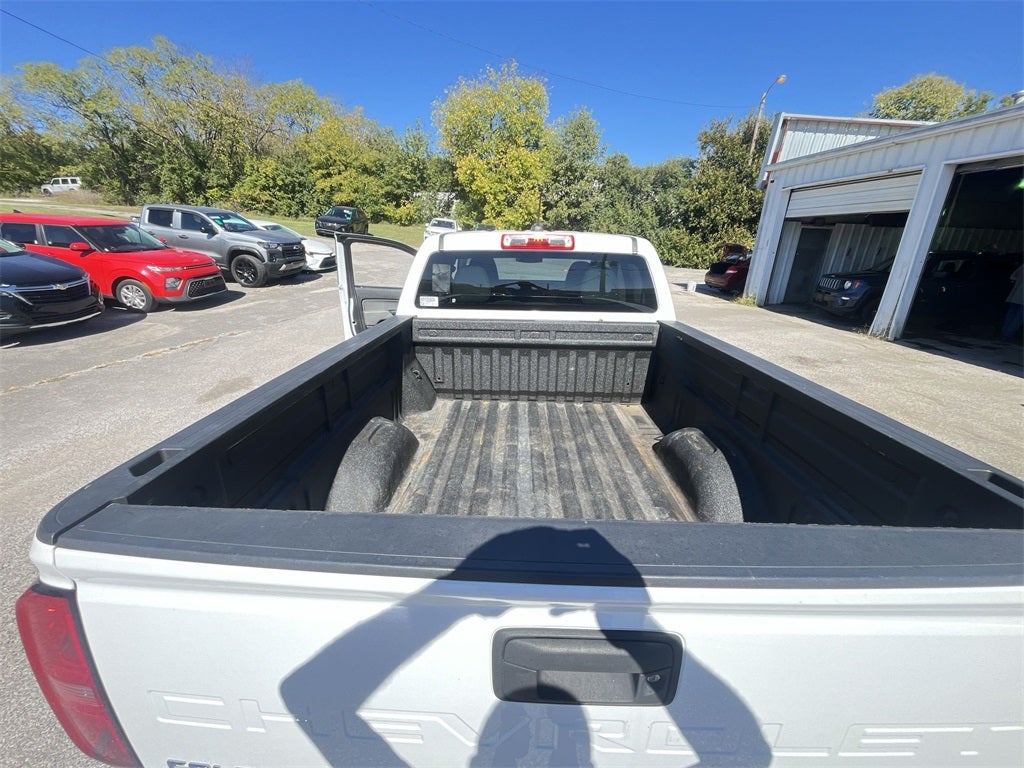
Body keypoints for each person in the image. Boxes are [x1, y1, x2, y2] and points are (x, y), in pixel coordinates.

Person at [1000, 264, 1023, 342]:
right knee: (1019, 317)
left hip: (1015, 294)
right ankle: (1008, 334)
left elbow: (1012, 276)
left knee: (1011, 314)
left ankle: (1004, 333)